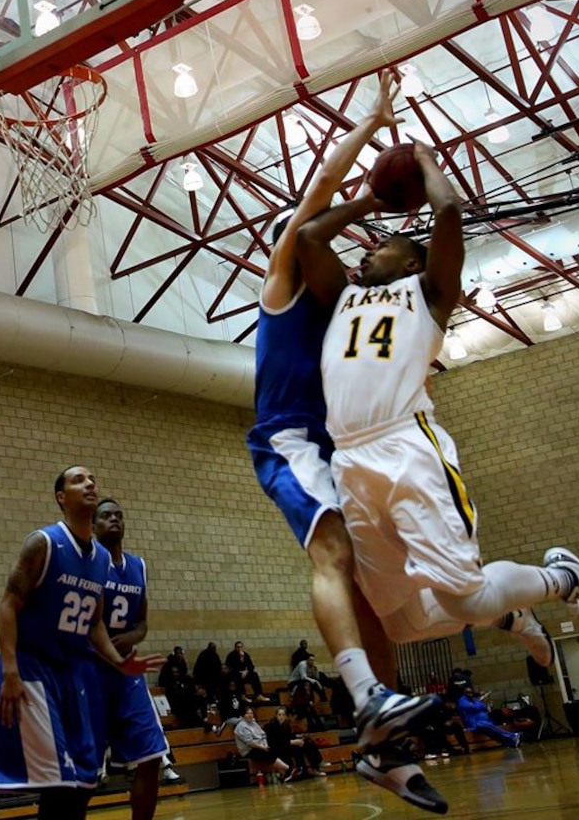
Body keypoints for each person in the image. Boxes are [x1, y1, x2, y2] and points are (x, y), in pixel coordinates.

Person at [296, 141, 579, 650]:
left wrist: (424, 159)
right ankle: (510, 620)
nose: (366, 250)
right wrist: (370, 199)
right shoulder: (341, 298)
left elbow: (449, 211)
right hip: (350, 463)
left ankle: (564, 579)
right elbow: (307, 236)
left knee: (466, 599)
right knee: (401, 625)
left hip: (406, 449)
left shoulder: (428, 294)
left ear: (412, 265)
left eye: (381, 245)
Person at [246, 72, 444, 813]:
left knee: (378, 593)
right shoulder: (283, 283)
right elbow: (322, 189)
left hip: (340, 449)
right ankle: (365, 699)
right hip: (287, 438)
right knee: (332, 555)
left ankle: (385, 749)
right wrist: (370, 125)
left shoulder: (346, 305)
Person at [0, 465, 163, 820]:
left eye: (93, 478)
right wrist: (10, 669)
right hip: (35, 667)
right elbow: (8, 604)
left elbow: (95, 622)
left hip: (74, 673)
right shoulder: (44, 543)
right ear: (61, 497)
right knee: (61, 782)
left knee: (82, 781)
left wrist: (117, 660)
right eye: (78, 480)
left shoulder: (99, 558)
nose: (90, 483)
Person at [92, 497, 180, 820]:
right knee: (84, 771)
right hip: (93, 672)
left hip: (127, 674)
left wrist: (130, 638)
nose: (114, 520)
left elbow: (142, 623)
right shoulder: (87, 564)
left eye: (119, 515)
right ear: (93, 526)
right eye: (105, 516)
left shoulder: (138, 566)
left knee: (152, 756)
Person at [233, 707, 292, 782]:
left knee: (272, 749)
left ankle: (284, 774)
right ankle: (288, 769)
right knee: (268, 752)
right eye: (247, 713)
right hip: (249, 750)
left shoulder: (254, 723)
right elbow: (250, 743)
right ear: (243, 715)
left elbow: (263, 734)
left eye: (251, 713)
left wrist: (265, 745)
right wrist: (262, 747)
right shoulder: (241, 726)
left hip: (260, 746)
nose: (250, 715)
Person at [265, 706, 325, 778]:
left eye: (283, 715)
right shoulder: (271, 726)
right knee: (298, 748)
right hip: (278, 750)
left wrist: (300, 739)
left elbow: (290, 737)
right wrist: (293, 742)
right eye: (279, 715)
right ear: (276, 716)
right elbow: (277, 742)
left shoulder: (286, 725)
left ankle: (317, 766)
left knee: (308, 743)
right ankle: (302, 770)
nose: (281, 717)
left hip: (287, 746)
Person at [456, 687, 520, 749]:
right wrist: (478, 707)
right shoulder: (462, 701)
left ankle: (511, 743)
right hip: (474, 724)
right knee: (487, 725)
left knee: (492, 732)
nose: (470, 694)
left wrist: (477, 707)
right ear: (464, 693)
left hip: (483, 721)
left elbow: (483, 707)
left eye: (471, 692)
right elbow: (473, 707)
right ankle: (513, 736)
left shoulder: (474, 699)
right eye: (468, 693)